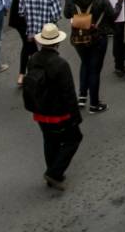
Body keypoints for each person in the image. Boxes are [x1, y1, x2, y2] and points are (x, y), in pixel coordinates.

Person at [23, 23, 82, 191]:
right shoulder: (60, 64)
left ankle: (52, 173)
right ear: (57, 42)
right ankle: (54, 172)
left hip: (40, 110)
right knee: (74, 138)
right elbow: (68, 93)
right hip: (58, 113)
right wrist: (75, 117)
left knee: (50, 140)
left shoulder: (34, 58)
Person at [63, 0, 124, 113]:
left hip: (78, 37)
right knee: (95, 70)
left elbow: (66, 14)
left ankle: (82, 97)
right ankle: (94, 104)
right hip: (98, 37)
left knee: (85, 63)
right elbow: (113, 16)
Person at [19, 0, 63, 80]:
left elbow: (21, 12)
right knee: (50, 56)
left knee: (35, 56)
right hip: (48, 33)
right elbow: (56, 16)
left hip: (32, 33)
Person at [8, 0, 40, 85]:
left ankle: (25, 73)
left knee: (28, 45)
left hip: (17, 18)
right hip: (30, 17)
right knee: (31, 46)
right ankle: (26, 73)